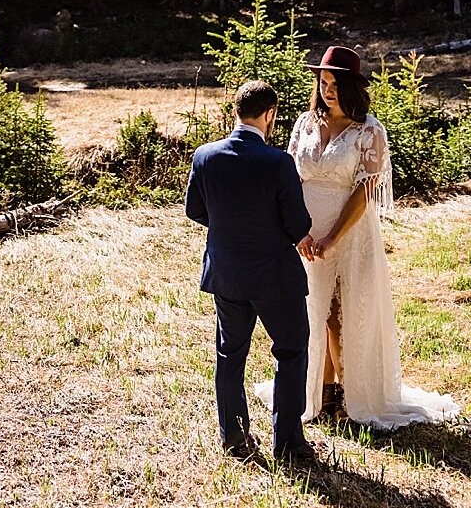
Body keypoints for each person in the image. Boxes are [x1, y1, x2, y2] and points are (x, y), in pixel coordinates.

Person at [282, 45, 457, 430]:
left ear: (352, 88)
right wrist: (300, 230)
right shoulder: (305, 123)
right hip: (305, 234)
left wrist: (331, 237)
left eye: (335, 84)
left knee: (340, 316)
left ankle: (349, 395)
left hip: (348, 233)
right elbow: (290, 177)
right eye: (323, 83)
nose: (327, 91)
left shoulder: (369, 131)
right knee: (314, 314)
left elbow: (364, 193)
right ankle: (320, 393)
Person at [184, 80, 318, 470]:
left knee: (229, 354)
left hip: (226, 272)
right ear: (270, 115)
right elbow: (297, 224)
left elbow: (195, 210)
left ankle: (235, 438)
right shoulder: (277, 162)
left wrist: (229, 227)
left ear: (236, 113)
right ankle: (289, 444)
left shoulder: (205, 156)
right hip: (273, 275)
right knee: (291, 351)